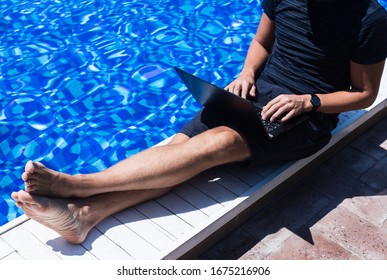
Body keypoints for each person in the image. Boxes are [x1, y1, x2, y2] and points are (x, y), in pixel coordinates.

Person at [12, 0, 387, 244]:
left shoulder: (369, 19)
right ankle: (84, 216)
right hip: (257, 94)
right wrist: (246, 74)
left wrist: (309, 100)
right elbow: (261, 43)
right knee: (177, 152)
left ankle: (76, 187)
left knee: (216, 144)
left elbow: (364, 93)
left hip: (304, 117)